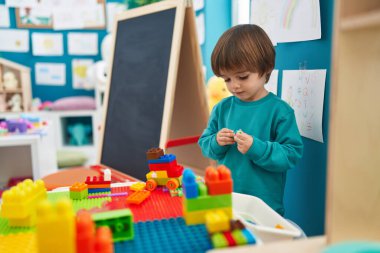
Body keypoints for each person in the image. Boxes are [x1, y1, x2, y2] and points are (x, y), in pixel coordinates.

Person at [198, 24, 303, 216]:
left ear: (266, 68)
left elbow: (291, 155)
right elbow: (205, 144)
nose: (235, 86)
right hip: (225, 199)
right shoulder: (222, 108)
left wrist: (257, 148)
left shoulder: (280, 111)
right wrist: (216, 141)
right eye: (226, 79)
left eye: (242, 77)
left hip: (265, 207)